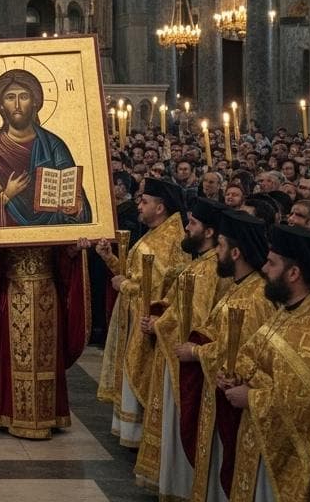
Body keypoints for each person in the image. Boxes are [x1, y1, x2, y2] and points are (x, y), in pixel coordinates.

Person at [222, 225, 310, 502]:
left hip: (289, 457)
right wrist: (235, 375)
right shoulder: (288, 309)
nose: (264, 268)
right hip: (261, 438)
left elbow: (309, 402)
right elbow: (253, 353)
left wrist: (252, 397)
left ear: (294, 273)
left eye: (272, 263)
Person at [134, 198, 231, 493]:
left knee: (180, 424)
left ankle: (179, 487)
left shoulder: (210, 268)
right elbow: (178, 304)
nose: (186, 229)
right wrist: (160, 310)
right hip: (172, 351)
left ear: (210, 231)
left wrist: (159, 324)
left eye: (193, 224)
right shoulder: (199, 263)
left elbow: (196, 320)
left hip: (184, 358)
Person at [181, 210, 277, 502]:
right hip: (221, 389)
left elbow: (241, 348)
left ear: (235, 252)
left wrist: (198, 352)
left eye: (220, 246)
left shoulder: (255, 296)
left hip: (236, 396)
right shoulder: (241, 286)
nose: (216, 253)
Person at [96, 177, 188, 447]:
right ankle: (130, 430)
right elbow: (137, 275)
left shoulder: (170, 239)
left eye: (145, 202)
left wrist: (124, 285)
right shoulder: (154, 233)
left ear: (160, 208)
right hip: (134, 315)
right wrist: (108, 258)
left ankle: (140, 434)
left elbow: (158, 287)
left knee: (142, 372)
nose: (139, 205)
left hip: (149, 319)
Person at [0, 230, 90, 438]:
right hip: (13, 292)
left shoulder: (50, 218)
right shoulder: (5, 217)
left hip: (48, 294)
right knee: (14, 355)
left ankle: (49, 415)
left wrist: (72, 251)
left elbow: (60, 257)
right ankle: (9, 412)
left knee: (47, 356)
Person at [0, 69, 92, 227]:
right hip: (6, 245)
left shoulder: (54, 146)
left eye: (24, 97)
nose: (17, 105)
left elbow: (79, 207)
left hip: (51, 242)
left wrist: (75, 207)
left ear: (34, 101)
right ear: (1, 105)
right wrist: (6, 195)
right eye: (10, 97)